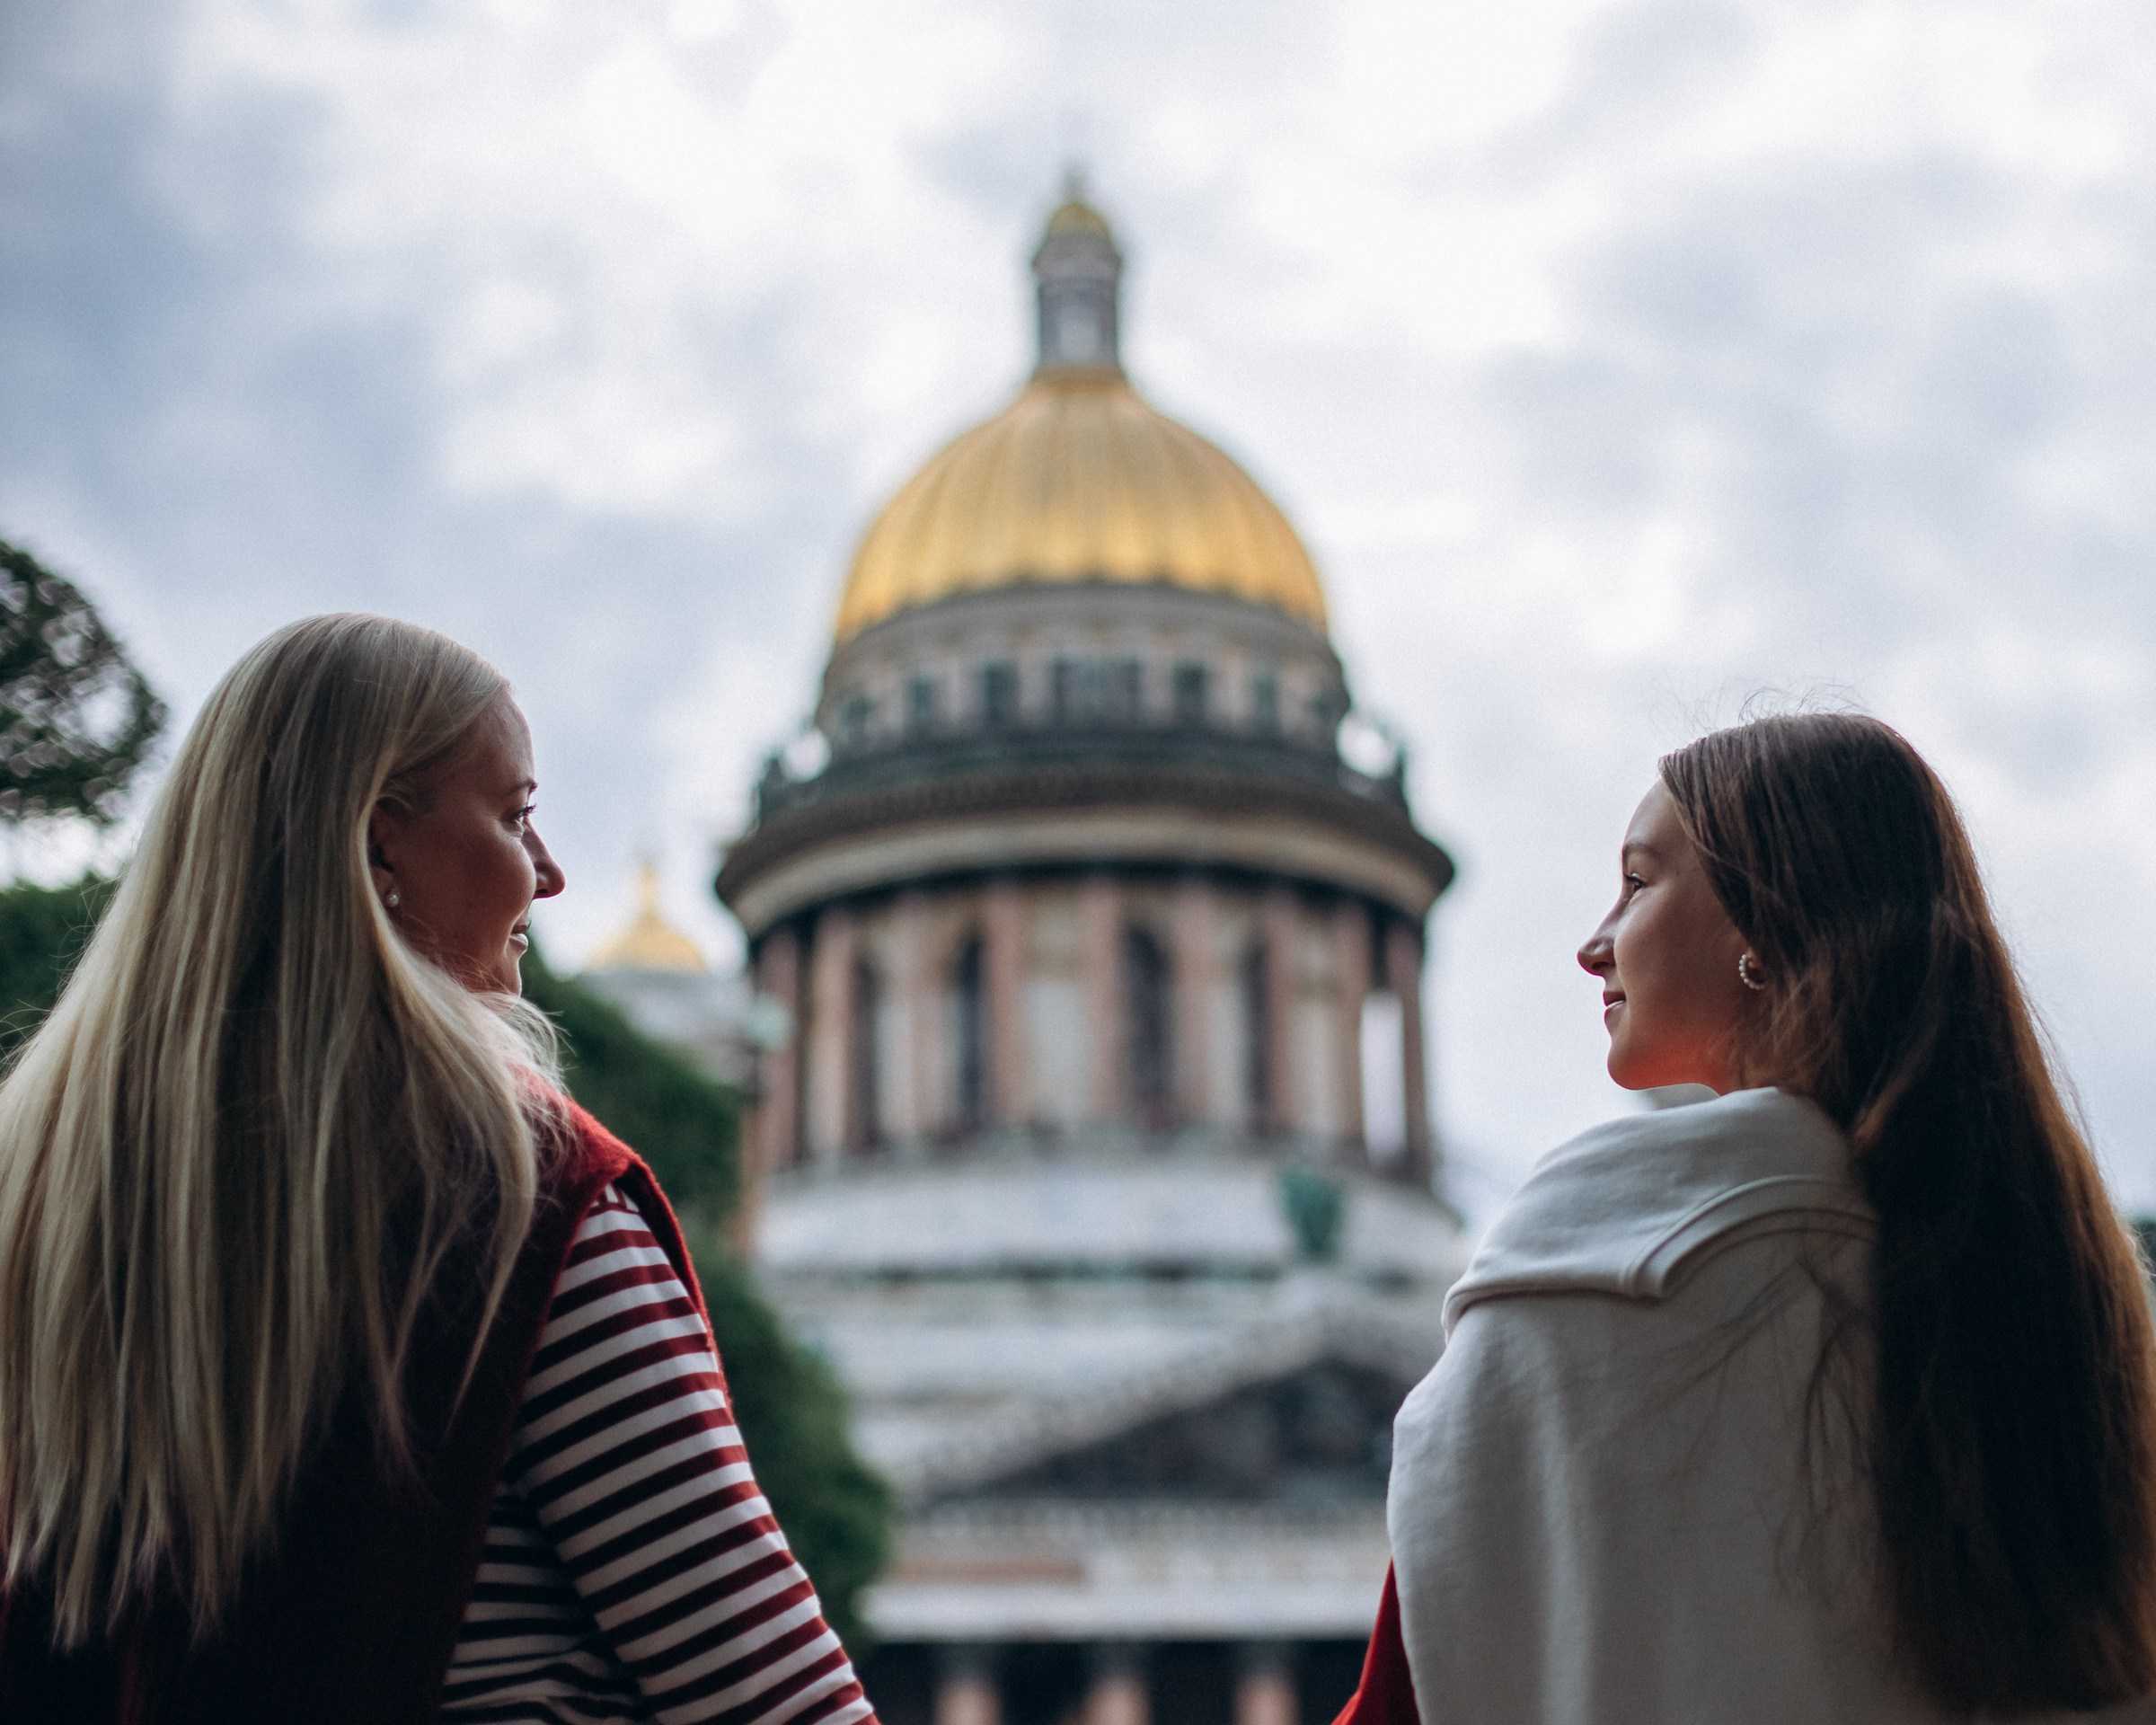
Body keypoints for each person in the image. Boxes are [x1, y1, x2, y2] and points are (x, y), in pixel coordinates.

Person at [0, 615, 877, 1725]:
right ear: (379, 846)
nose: (550, 876)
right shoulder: (521, 1202)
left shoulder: (50, 1208)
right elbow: (772, 1691)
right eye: (517, 817)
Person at [1337, 712, 2156, 1722]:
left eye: (1637, 885)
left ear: (1764, 928)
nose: (1595, 945)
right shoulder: (2058, 1301)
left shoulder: (1576, 1265)